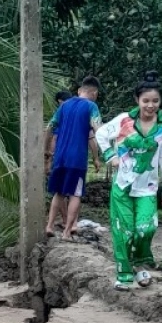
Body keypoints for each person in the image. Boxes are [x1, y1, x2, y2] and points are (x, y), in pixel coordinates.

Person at [94, 71, 162, 291]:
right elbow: (101, 134)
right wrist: (110, 156)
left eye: (155, 101)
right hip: (122, 186)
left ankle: (140, 262)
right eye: (146, 101)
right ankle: (125, 273)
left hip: (147, 188)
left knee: (146, 229)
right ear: (137, 100)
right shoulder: (124, 121)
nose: (151, 105)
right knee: (124, 231)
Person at [45, 77, 103, 240]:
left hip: (60, 158)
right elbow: (97, 129)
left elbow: (49, 127)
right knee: (76, 194)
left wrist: (46, 151)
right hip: (77, 159)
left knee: (59, 193)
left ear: (79, 91)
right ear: (95, 93)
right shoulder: (92, 106)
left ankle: (49, 226)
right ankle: (66, 232)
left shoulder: (64, 106)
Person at [44, 90, 74, 178]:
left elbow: (54, 135)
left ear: (60, 101)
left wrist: (48, 151)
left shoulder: (62, 112)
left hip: (60, 151)